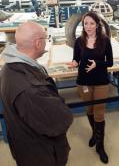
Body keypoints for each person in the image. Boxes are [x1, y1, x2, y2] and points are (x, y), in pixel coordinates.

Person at [0, 22, 73, 166]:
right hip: (41, 155)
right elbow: (59, 121)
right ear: (38, 43)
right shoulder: (30, 89)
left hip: (24, 146)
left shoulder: (9, 66)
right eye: (46, 38)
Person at [68, 11, 113, 164]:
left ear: (97, 24)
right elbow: (76, 58)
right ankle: (95, 133)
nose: (88, 26)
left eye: (91, 23)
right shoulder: (79, 41)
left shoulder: (105, 41)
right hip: (84, 82)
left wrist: (97, 64)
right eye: (85, 23)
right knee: (89, 110)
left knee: (99, 113)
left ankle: (100, 147)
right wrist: (74, 62)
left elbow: (110, 62)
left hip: (100, 81)